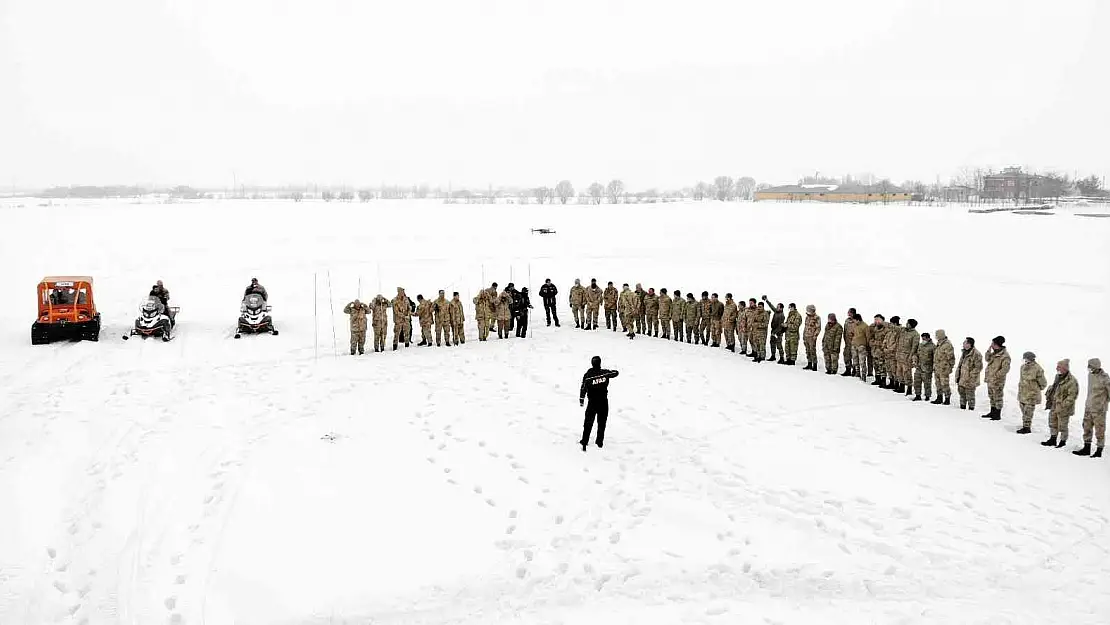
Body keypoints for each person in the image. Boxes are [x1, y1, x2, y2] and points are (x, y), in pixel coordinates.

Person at [578, 355, 620, 452]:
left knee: (588, 423)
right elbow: (616, 373)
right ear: (600, 363)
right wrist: (606, 373)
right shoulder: (604, 373)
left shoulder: (588, 375)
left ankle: (584, 441)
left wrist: (581, 399)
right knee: (602, 423)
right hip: (603, 402)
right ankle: (599, 442)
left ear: (592, 363)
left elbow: (583, 388)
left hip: (592, 403)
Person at [1042, 359, 1079, 449]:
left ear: (1065, 368)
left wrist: (1063, 405)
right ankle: (1053, 439)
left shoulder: (1072, 381)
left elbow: (1072, 396)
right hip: (1054, 404)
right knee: (1052, 422)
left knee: (1063, 426)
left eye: (1059, 367)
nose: (1056, 368)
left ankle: (1062, 442)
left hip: (1064, 408)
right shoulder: (1057, 376)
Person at [1075, 358, 1108, 457]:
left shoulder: (1105, 378)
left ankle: (1099, 450)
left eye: (1090, 366)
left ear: (1095, 366)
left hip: (1099, 409)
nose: (1088, 368)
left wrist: (1102, 403)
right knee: (1086, 427)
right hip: (1088, 407)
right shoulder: (1090, 375)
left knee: (1100, 429)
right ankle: (1086, 448)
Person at [1016, 351, 1046, 434]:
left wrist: (1035, 389)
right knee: (1023, 410)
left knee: (1028, 412)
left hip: (1031, 394)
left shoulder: (1037, 368)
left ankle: (1026, 428)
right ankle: (1024, 425)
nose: (1025, 360)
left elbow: (1043, 383)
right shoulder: (1022, 367)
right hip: (1022, 393)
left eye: (1026, 358)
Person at [982, 336, 1011, 420]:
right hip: (990, 379)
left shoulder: (1005, 356)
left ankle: (997, 415)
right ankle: (992, 412)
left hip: (998, 381)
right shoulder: (994, 353)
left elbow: (1005, 369)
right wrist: (988, 350)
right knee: (991, 396)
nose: (991, 345)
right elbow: (987, 359)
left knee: (998, 397)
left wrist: (996, 375)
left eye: (993, 343)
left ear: (997, 344)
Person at [955, 336, 983, 410]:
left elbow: (978, 367)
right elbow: (960, 365)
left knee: (970, 396)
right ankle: (962, 408)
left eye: (965, 342)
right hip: (962, 378)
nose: (963, 344)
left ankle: (971, 411)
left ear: (969, 344)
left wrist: (970, 376)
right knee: (962, 395)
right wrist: (957, 376)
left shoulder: (976, 354)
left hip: (970, 380)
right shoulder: (964, 352)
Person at [931, 329, 955, 405]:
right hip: (937, 367)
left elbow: (951, 357)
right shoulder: (939, 343)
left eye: (937, 335)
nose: (936, 336)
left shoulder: (947, 344)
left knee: (945, 384)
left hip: (944, 368)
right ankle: (939, 397)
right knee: (938, 383)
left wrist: (949, 367)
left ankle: (947, 398)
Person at [762, 296, 785, 363]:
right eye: (777, 307)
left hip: (778, 333)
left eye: (778, 307)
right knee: (772, 344)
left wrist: (774, 333)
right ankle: (773, 356)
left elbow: (780, 326)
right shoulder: (776, 312)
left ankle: (782, 358)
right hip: (773, 331)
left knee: (779, 345)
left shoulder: (781, 315)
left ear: (781, 308)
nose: (777, 308)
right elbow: (771, 306)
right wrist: (766, 300)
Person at [913, 332, 936, 402]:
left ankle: (927, 396)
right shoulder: (920, 345)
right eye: (922, 338)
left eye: (924, 339)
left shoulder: (933, 346)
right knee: (917, 381)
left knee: (927, 383)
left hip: (927, 368)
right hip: (919, 366)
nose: (923, 340)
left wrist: (933, 367)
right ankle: (917, 395)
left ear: (928, 338)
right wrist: (915, 359)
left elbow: (935, 358)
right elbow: (916, 354)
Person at [852, 313, 870, 382]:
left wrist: (866, 346)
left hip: (862, 346)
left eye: (854, 320)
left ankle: (863, 376)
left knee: (862, 362)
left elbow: (868, 337)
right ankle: (857, 373)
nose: (854, 322)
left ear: (858, 320)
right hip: (854, 345)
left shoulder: (865, 326)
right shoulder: (854, 325)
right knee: (855, 361)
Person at [841, 308, 859, 377]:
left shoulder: (856, 321)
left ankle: (855, 370)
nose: (848, 313)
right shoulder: (847, 321)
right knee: (846, 355)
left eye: (849, 312)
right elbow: (845, 330)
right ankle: (848, 369)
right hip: (847, 342)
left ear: (852, 313)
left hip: (854, 342)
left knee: (855, 356)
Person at [802, 305, 820, 370]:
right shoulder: (807, 317)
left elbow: (818, 328)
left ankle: (814, 365)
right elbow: (806, 327)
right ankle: (809, 363)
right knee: (807, 350)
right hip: (806, 336)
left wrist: (815, 336)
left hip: (812, 337)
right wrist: (804, 335)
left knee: (812, 351)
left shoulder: (816, 318)